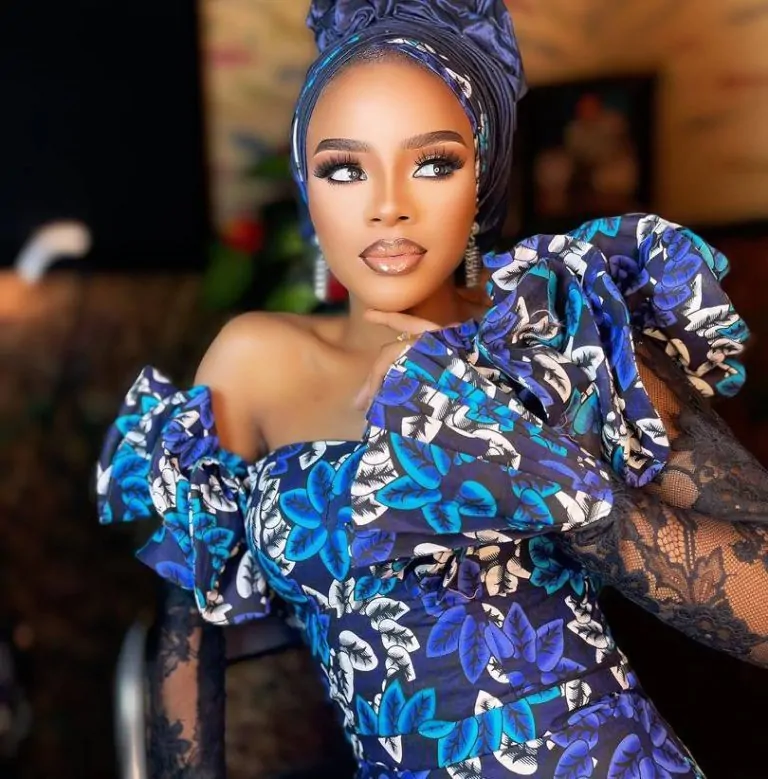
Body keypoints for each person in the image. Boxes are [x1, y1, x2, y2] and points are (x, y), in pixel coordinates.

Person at [96, 1, 768, 776]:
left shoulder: (554, 336)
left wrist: (558, 485)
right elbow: (188, 642)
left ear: (480, 177)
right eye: (344, 168)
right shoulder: (252, 361)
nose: (388, 204)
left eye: (433, 162)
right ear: (308, 188)